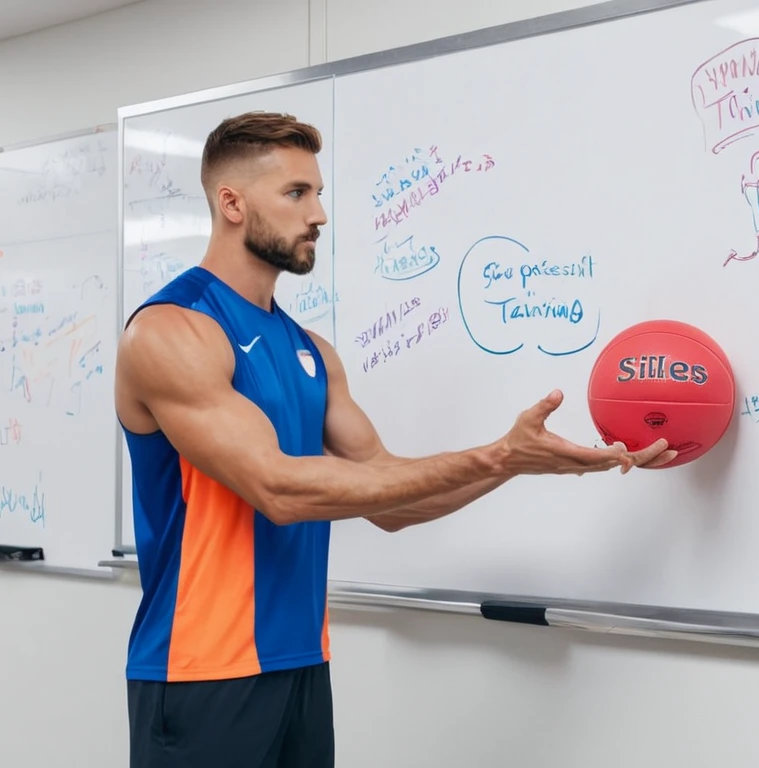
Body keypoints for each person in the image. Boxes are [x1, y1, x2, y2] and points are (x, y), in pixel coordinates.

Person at [114, 111, 675, 767]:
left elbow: (389, 499)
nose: (319, 213)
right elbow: (278, 487)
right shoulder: (170, 332)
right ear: (231, 203)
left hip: (299, 663)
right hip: (197, 670)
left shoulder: (311, 353)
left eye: (318, 193)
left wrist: (518, 463)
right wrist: (496, 454)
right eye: (297, 193)